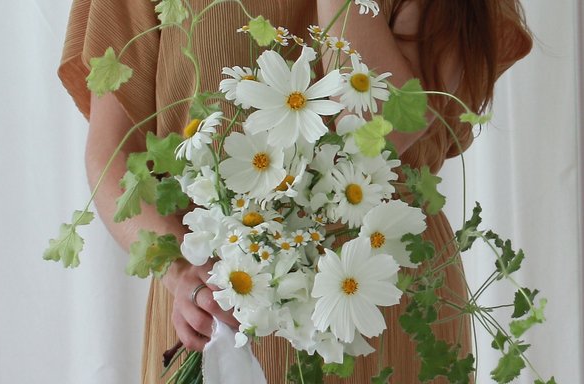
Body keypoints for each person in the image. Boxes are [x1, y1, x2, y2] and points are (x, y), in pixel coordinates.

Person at [58, 0, 532, 382]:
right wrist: (179, 270)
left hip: (378, 287)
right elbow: (113, 153)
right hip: (211, 293)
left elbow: (379, 127)